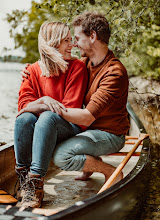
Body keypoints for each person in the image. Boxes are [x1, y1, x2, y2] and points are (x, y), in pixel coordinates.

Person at [22, 12, 129, 193]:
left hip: (109, 134)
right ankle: (90, 164)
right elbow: (54, 63)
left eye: (77, 38)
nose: (74, 44)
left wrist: (50, 108)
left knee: (61, 156)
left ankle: (109, 171)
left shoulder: (114, 72)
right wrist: (30, 70)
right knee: (43, 128)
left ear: (93, 36)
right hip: (90, 130)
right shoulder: (86, 62)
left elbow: (86, 118)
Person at [14, 21, 88, 209]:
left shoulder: (77, 67)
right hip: (42, 125)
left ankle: (36, 182)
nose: (73, 45)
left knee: (46, 118)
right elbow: (23, 106)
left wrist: (39, 105)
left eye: (72, 40)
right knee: (24, 119)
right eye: (66, 41)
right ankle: (24, 181)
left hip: (67, 126)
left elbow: (68, 108)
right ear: (53, 43)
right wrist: (42, 101)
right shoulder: (31, 70)